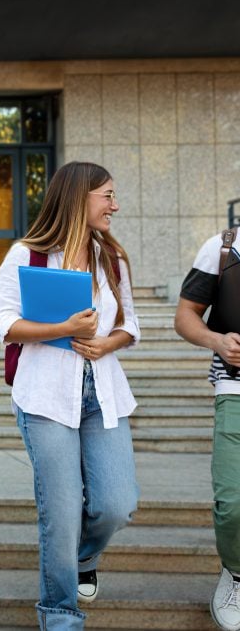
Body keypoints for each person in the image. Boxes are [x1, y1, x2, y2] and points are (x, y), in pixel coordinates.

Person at [0, 161, 140, 630]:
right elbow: (2, 324)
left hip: (104, 393)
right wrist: (63, 329)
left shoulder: (110, 257)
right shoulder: (26, 255)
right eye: (107, 196)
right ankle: (60, 616)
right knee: (59, 511)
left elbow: (130, 324)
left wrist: (106, 342)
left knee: (117, 504)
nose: (114, 205)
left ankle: (82, 558)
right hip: (45, 398)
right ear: (79, 197)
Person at [175, 226, 240, 630]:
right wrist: (217, 341)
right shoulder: (223, 248)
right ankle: (236, 573)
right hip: (235, 390)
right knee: (233, 503)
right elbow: (184, 317)